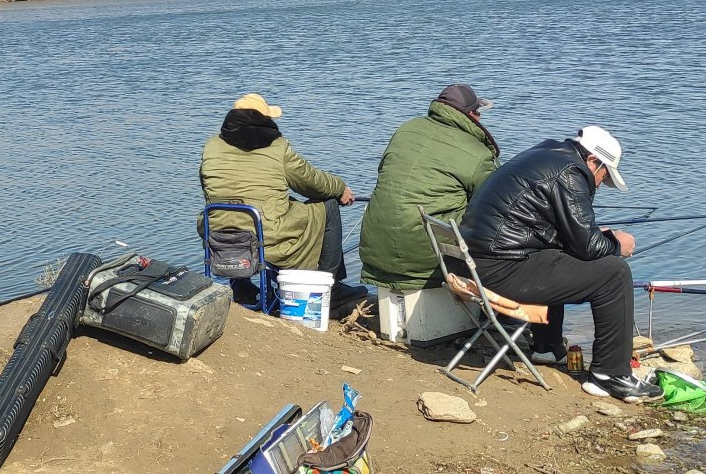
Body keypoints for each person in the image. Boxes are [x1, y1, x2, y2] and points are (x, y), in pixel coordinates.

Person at [452, 125, 655, 402]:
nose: (599, 184)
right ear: (593, 160)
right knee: (615, 274)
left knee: (557, 256)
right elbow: (589, 248)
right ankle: (610, 375)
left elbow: (564, 234)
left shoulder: (547, 154)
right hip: (499, 271)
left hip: (476, 263)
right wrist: (618, 244)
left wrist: (598, 235)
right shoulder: (571, 173)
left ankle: (547, 347)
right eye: (604, 176)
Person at [200, 93, 369, 317]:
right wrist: (339, 188)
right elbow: (310, 182)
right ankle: (331, 286)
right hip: (267, 240)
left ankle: (241, 288)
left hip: (219, 236)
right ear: (264, 120)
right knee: (328, 205)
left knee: (233, 213)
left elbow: (208, 188)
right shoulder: (277, 147)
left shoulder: (211, 146)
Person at [359, 84, 499, 295]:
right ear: (471, 115)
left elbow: (383, 172)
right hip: (426, 259)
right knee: (494, 225)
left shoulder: (406, 129)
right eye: (478, 112)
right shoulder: (478, 153)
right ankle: (499, 308)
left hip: (376, 251)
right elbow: (497, 204)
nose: (480, 118)